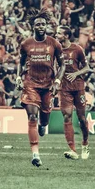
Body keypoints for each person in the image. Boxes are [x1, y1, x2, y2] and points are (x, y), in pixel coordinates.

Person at [16, 10, 65, 167]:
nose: (41, 26)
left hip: (48, 85)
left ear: (47, 26)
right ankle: (35, 154)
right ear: (33, 27)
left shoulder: (54, 44)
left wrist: (57, 81)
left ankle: (43, 125)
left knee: (44, 118)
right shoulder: (26, 44)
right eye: (37, 24)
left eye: (43, 24)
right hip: (31, 84)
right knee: (32, 117)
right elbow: (20, 62)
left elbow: (62, 64)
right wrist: (18, 76)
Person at [56, 26, 92, 160]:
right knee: (67, 116)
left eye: (59, 33)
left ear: (65, 36)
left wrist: (76, 74)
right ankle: (72, 150)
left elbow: (87, 68)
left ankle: (85, 143)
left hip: (78, 88)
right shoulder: (56, 50)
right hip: (64, 89)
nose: (56, 34)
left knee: (82, 119)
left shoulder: (77, 49)